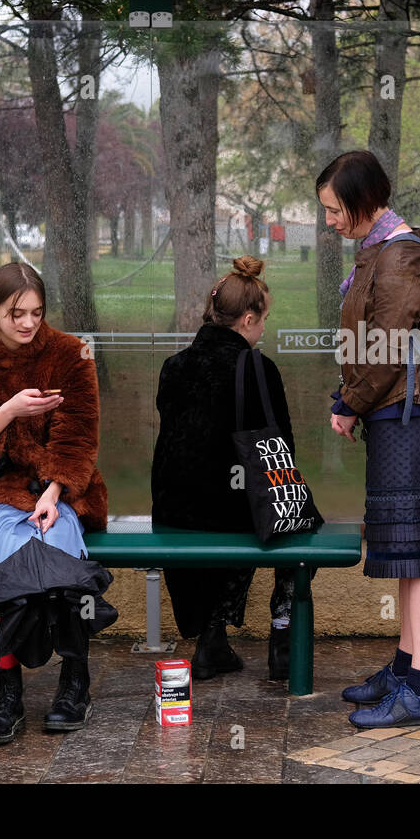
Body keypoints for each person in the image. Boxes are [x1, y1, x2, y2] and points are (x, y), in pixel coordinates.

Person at [0, 261, 108, 744]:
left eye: (36, 312)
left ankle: (72, 677)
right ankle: (7, 682)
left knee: (55, 537)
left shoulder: (71, 353)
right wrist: (9, 410)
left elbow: (79, 441)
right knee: (15, 549)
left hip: (62, 491)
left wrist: (55, 493)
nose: (28, 324)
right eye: (16, 313)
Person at [319, 150, 420, 729]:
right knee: (404, 553)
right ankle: (403, 669)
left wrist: (350, 404)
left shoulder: (400, 257)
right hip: (394, 415)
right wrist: (347, 397)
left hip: (409, 417)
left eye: (333, 209)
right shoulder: (380, 250)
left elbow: (390, 349)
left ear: (362, 200)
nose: (328, 221)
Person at [151, 255, 302, 681]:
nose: (265, 328)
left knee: (228, 500)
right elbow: (280, 451)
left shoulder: (174, 366)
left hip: (173, 510)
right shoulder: (257, 367)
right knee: (290, 515)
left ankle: (212, 638)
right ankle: (282, 633)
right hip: (229, 510)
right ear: (248, 319)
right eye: (264, 319)